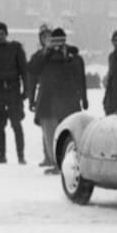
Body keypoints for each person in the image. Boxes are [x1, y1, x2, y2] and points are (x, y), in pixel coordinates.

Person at [27, 27, 87, 175]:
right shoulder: (43, 56)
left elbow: (80, 77)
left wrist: (84, 98)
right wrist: (46, 53)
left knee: (68, 135)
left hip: (68, 102)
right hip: (48, 102)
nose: (58, 44)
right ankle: (56, 162)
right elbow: (32, 69)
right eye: (55, 41)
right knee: (50, 135)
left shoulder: (72, 56)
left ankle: (69, 162)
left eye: (61, 41)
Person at [0, 22, 28, 165]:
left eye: (2, 33)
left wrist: (26, 90)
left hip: (13, 90)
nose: (0, 36)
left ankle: (21, 155)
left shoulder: (16, 48)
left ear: (6, 34)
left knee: (16, 124)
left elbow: (24, 71)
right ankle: (1, 155)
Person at [28, 24, 55, 168]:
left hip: (58, 97)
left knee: (54, 129)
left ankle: (54, 158)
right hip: (44, 96)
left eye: (49, 36)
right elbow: (32, 79)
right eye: (44, 37)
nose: (47, 39)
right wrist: (31, 99)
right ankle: (48, 157)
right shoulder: (38, 56)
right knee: (46, 130)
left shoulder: (57, 54)